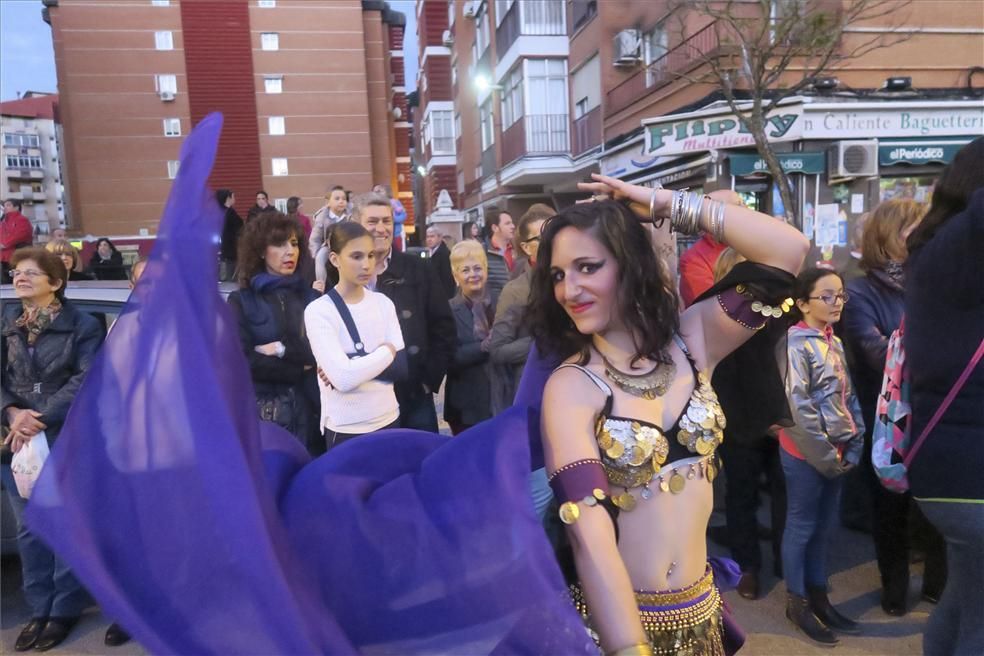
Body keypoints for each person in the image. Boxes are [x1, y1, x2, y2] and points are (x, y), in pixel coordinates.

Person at [530, 173, 809, 655]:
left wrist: (664, 203)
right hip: (612, 632)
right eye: (558, 274)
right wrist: (628, 648)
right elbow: (587, 534)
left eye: (587, 267)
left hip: (702, 616)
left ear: (631, 265)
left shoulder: (694, 341)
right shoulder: (572, 387)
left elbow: (788, 251)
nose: (569, 289)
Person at [839, 199, 946, 616]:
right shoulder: (860, 290)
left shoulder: (935, 281)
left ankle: (937, 586)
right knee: (890, 511)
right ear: (890, 235)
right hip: (886, 421)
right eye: (916, 227)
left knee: (935, 507)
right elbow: (879, 355)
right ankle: (895, 591)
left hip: (935, 413)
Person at [903, 138, 984, 656]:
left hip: (945, 466)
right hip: (973, 464)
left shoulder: (940, 247)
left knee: (963, 599)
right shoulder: (963, 244)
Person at [1, 247, 103, 652]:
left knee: (62, 524)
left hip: (62, 435)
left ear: (56, 282)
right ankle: (38, 608)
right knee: (29, 529)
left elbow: (85, 379)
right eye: (15, 272)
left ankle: (63, 609)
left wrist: (37, 417)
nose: (20, 278)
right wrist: (11, 414)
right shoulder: (7, 323)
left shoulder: (82, 324)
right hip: (16, 440)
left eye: (30, 273)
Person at [779, 268, 864, 645]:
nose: (836, 303)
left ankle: (818, 595)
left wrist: (856, 438)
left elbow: (847, 396)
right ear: (801, 304)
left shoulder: (833, 341)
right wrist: (827, 457)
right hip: (806, 454)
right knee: (801, 525)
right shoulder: (795, 345)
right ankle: (796, 601)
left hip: (837, 450)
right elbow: (798, 410)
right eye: (826, 296)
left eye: (840, 295)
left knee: (824, 526)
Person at [711, 242, 791, 602]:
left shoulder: (780, 312)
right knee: (743, 494)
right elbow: (722, 378)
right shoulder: (715, 318)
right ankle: (748, 568)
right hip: (739, 419)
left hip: (778, 416)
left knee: (782, 493)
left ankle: (784, 560)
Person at [354, 191, 455, 432]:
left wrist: (427, 381)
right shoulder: (341, 273)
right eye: (372, 221)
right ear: (356, 226)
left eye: (386, 221)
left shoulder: (419, 269)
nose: (381, 228)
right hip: (363, 398)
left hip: (414, 396)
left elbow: (444, 328)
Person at [305, 222, 405, 448]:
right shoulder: (319, 310)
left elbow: (400, 367)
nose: (366, 264)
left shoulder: (383, 303)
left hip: (388, 419)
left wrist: (353, 362)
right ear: (334, 259)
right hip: (346, 429)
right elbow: (344, 378)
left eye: (370, 256)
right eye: (356, 256)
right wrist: (386, 350)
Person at [227, 212, 320, 453]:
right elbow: (241, 361)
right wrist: (299, 368)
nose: (290, 251)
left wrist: (279, 349)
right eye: (280, 244)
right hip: (265, 416)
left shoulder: (312, 298)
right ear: (260, 251)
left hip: (313, 413)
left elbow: (319, 352)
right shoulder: (242, 301)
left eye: (295, 243)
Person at [489, 203, 552, 414]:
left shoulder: (577, 279)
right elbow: (498, 349)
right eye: (543, 239)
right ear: (526, 247)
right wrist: (542, 343)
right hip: (535, 395)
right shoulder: (516, 290)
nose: (553, 242)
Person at [444, 241, 495, 435]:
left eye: (477, 268)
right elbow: (450, 357)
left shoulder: (504, 302)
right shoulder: (447, 310)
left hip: (502, 401)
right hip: (465, 407)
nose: (473, 275)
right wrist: (484, 346)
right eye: (465, 270)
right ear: (456, 276)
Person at [677, 191, 740, 307]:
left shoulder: (750, 245)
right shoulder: (694, 259)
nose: (746, 212)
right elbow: (709, 307)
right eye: (738, 206)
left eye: (743, 205)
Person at [310, 185, 349, 258]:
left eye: (344, 199)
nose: (341, 201)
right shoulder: (322, 218)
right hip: (329, 250)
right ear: (328, 202)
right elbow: (315, 239)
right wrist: (315, 254)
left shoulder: (350, 217)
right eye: (337, 199)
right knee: (321, 255)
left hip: (347, 248)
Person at [484, 209, 515, 298]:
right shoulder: (483, 252)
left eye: (512, 223)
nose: (513, 226)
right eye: (507, 223)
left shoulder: (519, 250)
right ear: (495, 228)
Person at [1, 199, 34, 279]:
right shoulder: (3, 221)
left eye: (8, 205)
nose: (5, 208)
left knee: (18, 278)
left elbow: (21, 235)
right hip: (4, 258)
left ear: (16, 207)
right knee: (5, 282)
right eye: (4, 205)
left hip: (17, 256)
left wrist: (4, 244)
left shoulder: (22, 219)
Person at [217, 189, 243, 282]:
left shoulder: (220, 212)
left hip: (226, 249)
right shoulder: (229, 213)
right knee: (231, 276)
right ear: (228, 198)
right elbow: (239, 227)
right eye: (233, 196)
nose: (234, 199)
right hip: (231, 249)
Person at [426, 226, 455, 299]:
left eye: (432, 236)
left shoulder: (444, 254)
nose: (429, 239)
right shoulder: (432, 253)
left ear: (439, 238)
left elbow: (447, 280)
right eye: (427, 237)